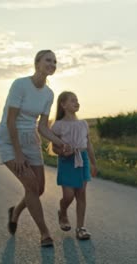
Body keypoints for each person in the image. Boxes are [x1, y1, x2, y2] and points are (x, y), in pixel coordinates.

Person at [0, 50, 68, 247]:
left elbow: (42, 127)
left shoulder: (49, 94)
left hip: (31, 141)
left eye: (55, 61)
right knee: (31, 186)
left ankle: (15, 212)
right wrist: (18, 154)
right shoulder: (20, 84)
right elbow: (10, 121)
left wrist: (61, 142)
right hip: (10, 139)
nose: (52, 64)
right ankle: (45, 233)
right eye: (48, 60)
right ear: (37, 63)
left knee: (39, 189)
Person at [50, 91, 97, 240]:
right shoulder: (58, 125)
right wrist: (63, 152)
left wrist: (94, 163)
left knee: (81, 194)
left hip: (82, 159)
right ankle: (62, 212)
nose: (76, 102)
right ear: (63, 105)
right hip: (67, 161)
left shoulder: (83, 124)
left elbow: (88, 144)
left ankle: (80, 228)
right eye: (72, 100)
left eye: (77, 100)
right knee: (68, 195)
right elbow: (54, 147)